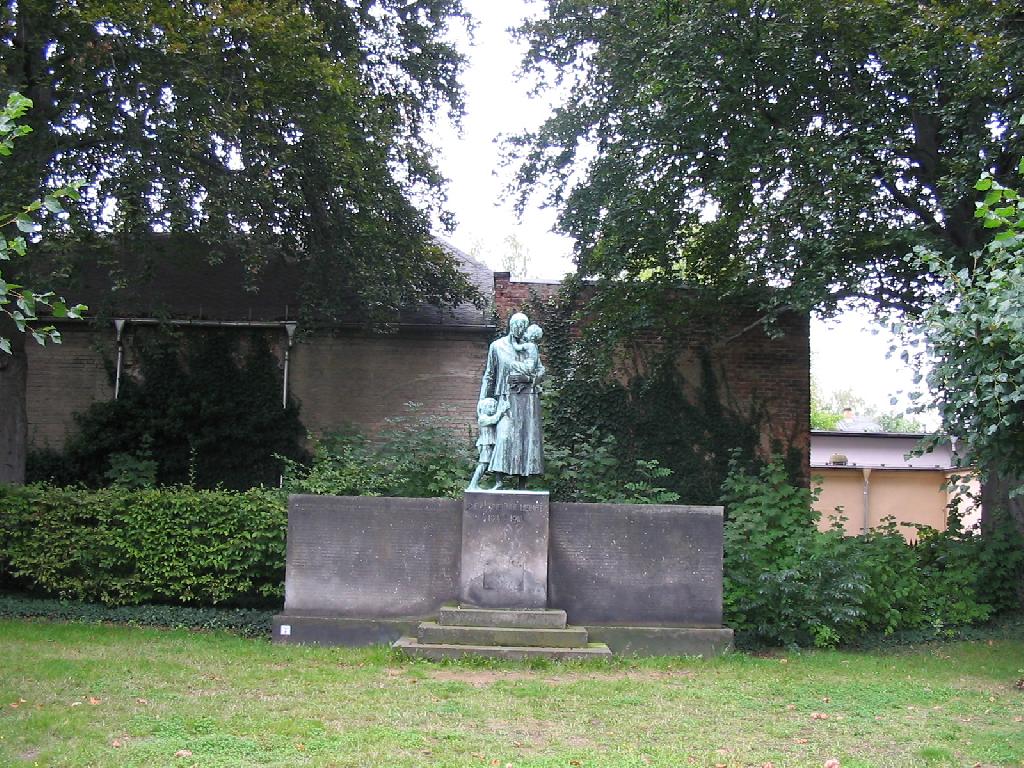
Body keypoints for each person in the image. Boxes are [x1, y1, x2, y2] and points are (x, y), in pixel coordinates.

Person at [477, 312, 545, 489]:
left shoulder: (530, 346)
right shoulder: (497, 346)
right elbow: (489, 375)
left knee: (526, 438)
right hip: (505, 398)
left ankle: (523, 484)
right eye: (516, 325)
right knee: (504, 437)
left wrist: (530, 380)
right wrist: (482, 399)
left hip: (528, 400)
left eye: (523, 326)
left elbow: (540, 370)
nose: (519, 329)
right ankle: (499, 481)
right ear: (510, 325)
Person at [467, 397, 508, 490]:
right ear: (483, 408)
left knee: (497, 462)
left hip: (492, 444)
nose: (492, 409)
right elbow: (494, 420)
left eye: (494, 407)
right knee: (483, 464)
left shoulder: (488, 417)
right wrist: (501, 411)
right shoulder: (482, 419)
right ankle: (472, 485)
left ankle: (499, 484)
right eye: (490, 407)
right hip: (485, 444)